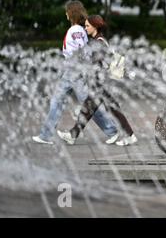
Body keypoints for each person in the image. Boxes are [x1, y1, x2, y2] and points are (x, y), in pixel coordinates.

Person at [32, 1, 119, 145]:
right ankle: (45, 135)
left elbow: (81, 51)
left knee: (87, 105)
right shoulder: (78, 29)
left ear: (71, 13)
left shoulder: (76, 30)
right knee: (59, 101)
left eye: (67, 11)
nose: (65, 13)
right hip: (71, 71)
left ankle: (112, 130)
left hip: (75, 71)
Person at [57, 15, 138, 146]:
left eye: (88, 26)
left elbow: (99, 61)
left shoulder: (99, 41)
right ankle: (73, 134)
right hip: (99, 82)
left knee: (107, 109)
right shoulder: (96, 40)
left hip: (101, 83)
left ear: (95, 26)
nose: (85, 28)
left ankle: (130, 136)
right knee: (91, 109)